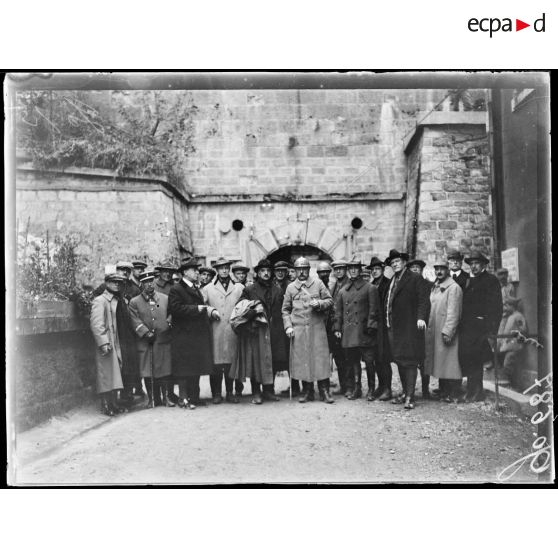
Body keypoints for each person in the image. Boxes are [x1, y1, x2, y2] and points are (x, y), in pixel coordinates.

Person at [230, 259, 286, 403]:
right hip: (256, 331)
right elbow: (240, 307)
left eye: (268, 271)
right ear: (257, 273)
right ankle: (256, 392)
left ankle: (269, 391)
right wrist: (253, 312)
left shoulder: (278, 290)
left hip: (274, 331)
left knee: (272, 361)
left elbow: (283, 309)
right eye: (262, 271)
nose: (266, 273)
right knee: (256, 361)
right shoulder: (250, 290)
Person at [168, 258, 219, 408]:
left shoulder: (195, 288)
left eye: (197, 270)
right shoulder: (177, 289)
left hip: (195, 334)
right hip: (184, 335)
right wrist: (195, 309)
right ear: (185, 272)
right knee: (185, 368)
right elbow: (175, 309)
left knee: (195, 366)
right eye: (194, 270)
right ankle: (184, 398)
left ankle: (194, 397)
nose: (197, 273)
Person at [282, 257, 334, 403]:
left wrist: (320, 303)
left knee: (320, 359)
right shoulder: (291, 288)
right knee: (303, 359)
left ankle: (324, 391)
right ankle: (307, 391)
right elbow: (285, 310)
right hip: (298, 330)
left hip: (317, 328)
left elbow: (330, 300)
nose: (302, 272)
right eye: (299, 269)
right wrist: (288, 326)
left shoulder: (318, 284)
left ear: (309, 270)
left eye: (304, 269)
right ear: (295, 271)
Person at [384, 249, 430, 410]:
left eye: (397, 261)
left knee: (409, 361)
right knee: (400, 360)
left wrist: (421, 317)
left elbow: (424, 300)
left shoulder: (414, 278)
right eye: (392, 263)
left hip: (409, 327)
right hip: (394, 327)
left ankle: (410, 396)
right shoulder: (392, 280)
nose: (395, 264)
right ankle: (405, 393)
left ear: (404, 262)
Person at [333, 256, 380, 401]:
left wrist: (371, 327)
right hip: (349, 332)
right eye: (350, 268)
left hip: (365, 332)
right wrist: (337, 328)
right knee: (353, 361)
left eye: (356, 268)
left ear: (360, 270)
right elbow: (338, 312)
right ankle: (357, 388)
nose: (353, 271)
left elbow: (374, 310)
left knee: (369, 362)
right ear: (348, 271)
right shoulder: (343, 291)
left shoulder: (370, 288)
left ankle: (371, 389)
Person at [458, 251, 503, 402]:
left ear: (483, 265)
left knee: (477, 359)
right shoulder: (468, 281)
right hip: (466, 327)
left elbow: (496, 307)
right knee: (469, 358)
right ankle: (472, 391)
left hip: (481, 327)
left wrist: (490, 328)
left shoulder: (490, 280)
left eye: (477, 263)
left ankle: (477, 392)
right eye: (471, 264)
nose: (474, 266)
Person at [129, 270, 174, 407]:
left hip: (162, 340)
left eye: (151, 281)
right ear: (141, 284)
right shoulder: (134, 302)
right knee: (148, 370)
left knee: (164, 369)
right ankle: (152, 399)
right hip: (146, 342)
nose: (149, 284)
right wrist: (145, 332)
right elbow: (134, 320)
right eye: (145, 282)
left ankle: (166, 397)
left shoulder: (165, 298)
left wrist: (168, 325)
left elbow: (172, 314)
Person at [202, 257, 245, 403]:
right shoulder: (208, 289)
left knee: (230, 363)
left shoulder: (238, 288)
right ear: (217, 270)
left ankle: (230, 392)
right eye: (221, 268)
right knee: (216, 363)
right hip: (216, 329)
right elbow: (202, 306)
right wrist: (210, 311)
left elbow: (244, 305)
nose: (224, 271)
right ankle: (216, 393)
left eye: (226, 268)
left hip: (233, 330)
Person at [425, 259, 463, 402]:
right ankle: (444, 390)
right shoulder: (436, 286)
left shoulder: (454, 288)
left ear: (448, 270)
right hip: (435, 329)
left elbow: (454, 312)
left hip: (445, 330)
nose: (439, 271)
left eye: (442, 269)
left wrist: (448, 331)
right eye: (437, 269)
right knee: (441, 361)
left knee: (450, 363)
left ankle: (454, 393)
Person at [90, 273, 126, 416]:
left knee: (114, 373)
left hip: (115, 342)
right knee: (105, 374)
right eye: (113, 281)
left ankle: (113, 403)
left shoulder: (116, 299)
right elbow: (96, 324)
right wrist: (103, 342)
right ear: (106, 283)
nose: (117, 284)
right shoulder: (100, 301)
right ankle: (105, 404)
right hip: (107, 343)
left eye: (119, 282)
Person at [407, 258, 434, 399]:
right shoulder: (406, 286)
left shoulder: (429, 285)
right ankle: (408, 390)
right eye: (412, 268)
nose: (415, 270)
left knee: (424, 359)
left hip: (424, 326)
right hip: (409, 328)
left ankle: (425, 389)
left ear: (422, 270)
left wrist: (423, 318)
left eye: (417, 267)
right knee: (410, 359)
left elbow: (428, 303)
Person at [368, 256, 392, 400]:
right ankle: (381, 386)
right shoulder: (371, 285)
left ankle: (388, 388)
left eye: (377, 269)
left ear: (382, 270)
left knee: (384, 358)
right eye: (373, 269)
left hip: (384, 326)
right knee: (376, 358)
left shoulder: (388, 284)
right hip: (374, 327)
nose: (375, 271)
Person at [329, 259, 349, 395]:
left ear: (345, 270)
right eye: (336, 269)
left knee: (348, 358)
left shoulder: (349, 284)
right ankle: (344, 386)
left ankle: (351, 387)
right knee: (339, 358)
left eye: (341, 269)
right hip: (335, 327)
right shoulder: (334, 285)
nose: (338, 271)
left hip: (346, 326)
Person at [496, 297, 527, 387]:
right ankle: (511, 384)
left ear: (512, 306)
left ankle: (513, 385)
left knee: (508, 364)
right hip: (509, 346)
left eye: (506, 305)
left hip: (515, 346)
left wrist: (514, 336)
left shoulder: (518, 316)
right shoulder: (510, 316)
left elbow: (523, 330)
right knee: (507, 364)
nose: (505, 308)